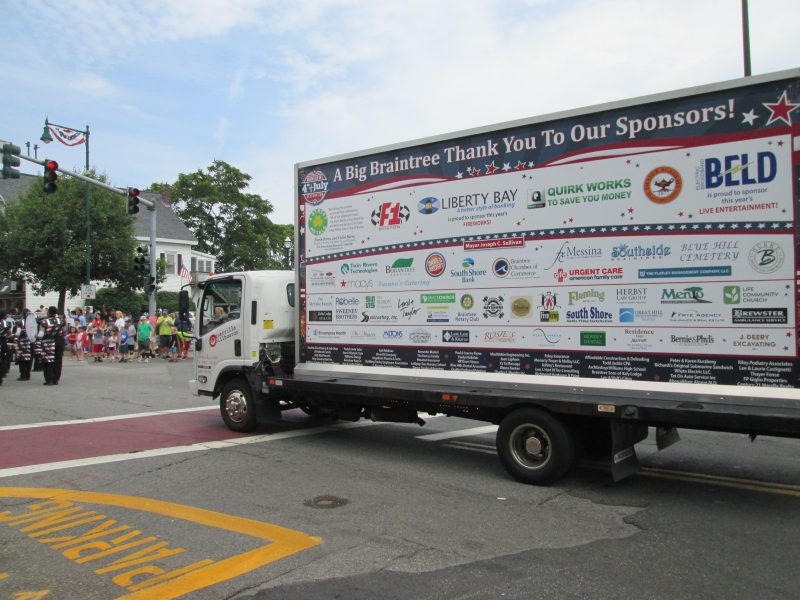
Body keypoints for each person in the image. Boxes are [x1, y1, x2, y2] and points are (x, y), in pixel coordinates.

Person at [39, 306, 66, 385]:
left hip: (48, 341)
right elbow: (64, 331)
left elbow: (41, 334)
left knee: (48, 360)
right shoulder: (61, 320)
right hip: (59, 341)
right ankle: (56, 379)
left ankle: (49, 379)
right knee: (58, 360)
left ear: (49, 312)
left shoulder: (44, 321)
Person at [14, 308, 36, 381]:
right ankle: (28, 374)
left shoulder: (20, 322)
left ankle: (23, 375)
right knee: (30, 358)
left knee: (22, 359)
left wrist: (13, 336)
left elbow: (18, 333)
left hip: (22, 343)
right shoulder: (33, 322)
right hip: (31, 342)